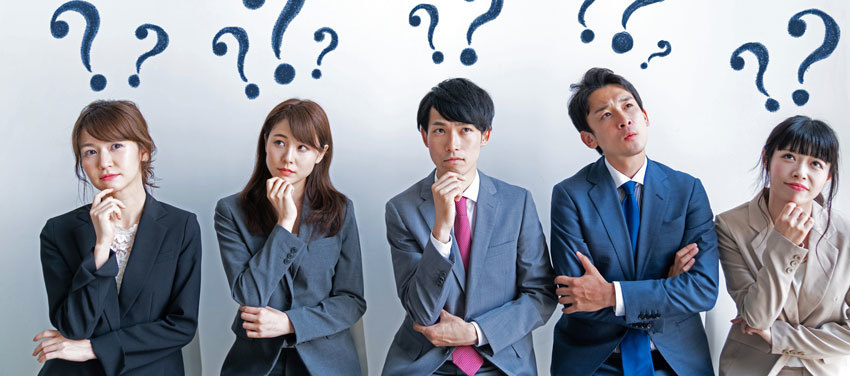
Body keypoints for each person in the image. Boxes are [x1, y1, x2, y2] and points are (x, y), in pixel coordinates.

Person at [382, 78, 556, 376]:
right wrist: (441, 230)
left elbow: (540, 294)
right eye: (440, 130)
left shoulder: (517, 203)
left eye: (465, 130)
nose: (453, 144)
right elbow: (422, 311)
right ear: (424, 136)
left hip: (499, 359)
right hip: (427, 364)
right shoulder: (402, 209)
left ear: (485, 135)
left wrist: (476, 332)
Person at [550, 68, 719, 375]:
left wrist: (612, 295)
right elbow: (576, 298)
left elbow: (703, 290)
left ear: (645, 116)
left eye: (628, 106)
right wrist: (667, 287)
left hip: (675, 360)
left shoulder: (687, 189)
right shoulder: (569, 195)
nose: (623, 119)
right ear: (589, 139)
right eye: (605, 114)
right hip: (596, 361)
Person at [32, 100, 201, 375]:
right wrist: (101, 247)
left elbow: (181, 326)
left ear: (143, 151)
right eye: (90, 152)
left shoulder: (181, 226)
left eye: (116, 146)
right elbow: (74, 327)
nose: (104, 162)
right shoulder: (58, 231)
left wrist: (95, 349)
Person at [716, 115, 850, 375]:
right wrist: (783, 243)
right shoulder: (730, 225)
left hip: (830, 369)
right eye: (788, 157)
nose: (800, 172)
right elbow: (757, 318)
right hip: (754, 367)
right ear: (766, 159)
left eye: (815, 163)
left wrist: (781, 337)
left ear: (828, 176)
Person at [215, 98, 365, 376]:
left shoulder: (340, 210)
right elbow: (249, 294)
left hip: (327, 362)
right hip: (257, 363)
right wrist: (284, 224)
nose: (288, 158)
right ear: (265, 143)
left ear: (321, 154)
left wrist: (291, 323)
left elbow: (351, 300)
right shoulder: (231, 211)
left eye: (303, 147)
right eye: (280, 142)